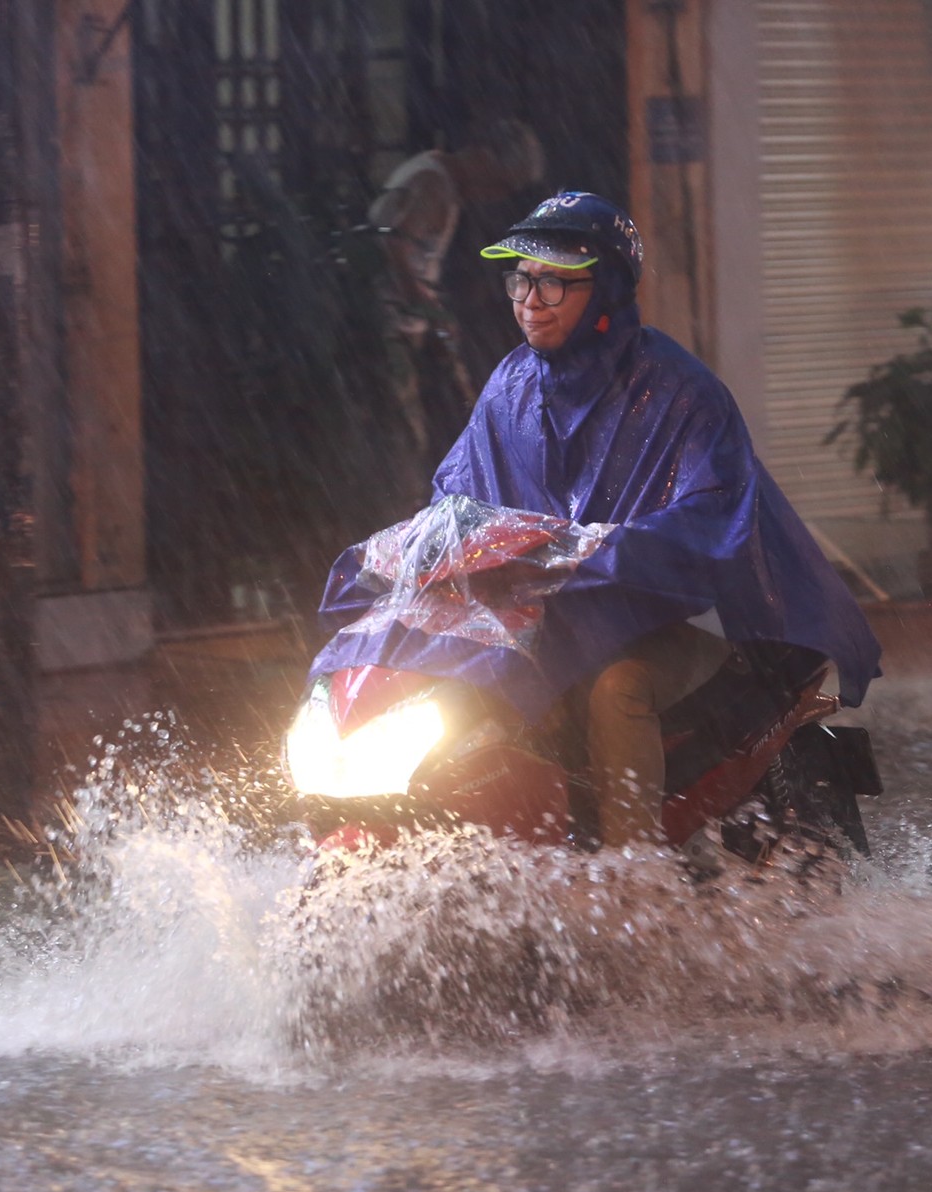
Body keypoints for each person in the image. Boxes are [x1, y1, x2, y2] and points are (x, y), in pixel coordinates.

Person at [426, 192, 883, 854]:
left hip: (676, 628)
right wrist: (437, 544)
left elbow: (712, 515)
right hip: (547, 622)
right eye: (520, 278)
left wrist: (600, 553)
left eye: (554, 280)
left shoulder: (681, 391)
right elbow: (456, 488)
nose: (531, 297)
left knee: (618, 690)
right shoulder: (510, 386)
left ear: (607, 287)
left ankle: (630, 880)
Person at [369, 119, 545, 487]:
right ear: (483, 157)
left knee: (408, 425)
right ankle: (397, 507)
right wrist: (423, 303)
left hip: (397, 323)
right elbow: (394, 245)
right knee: (402, 433)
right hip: (386, 324)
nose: (493, 195)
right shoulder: (434, 185)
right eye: (499, 183)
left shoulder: (431, 171)